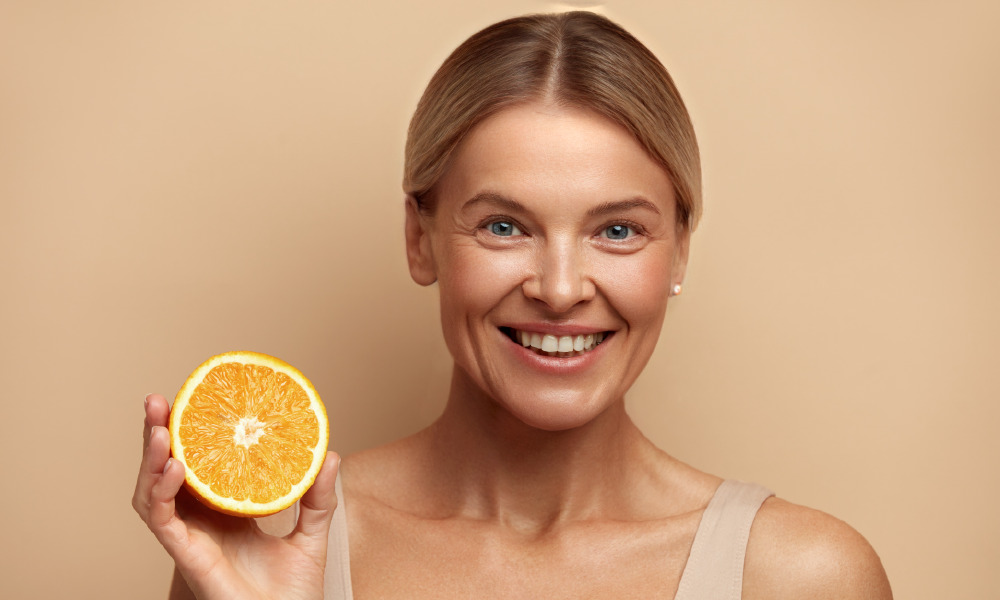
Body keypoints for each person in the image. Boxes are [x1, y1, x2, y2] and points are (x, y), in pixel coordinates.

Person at [133, 11, 892, 599]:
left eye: (618, 230)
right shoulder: (283, 550)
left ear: (679, 252)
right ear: (420, 239)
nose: (560, 290)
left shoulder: (802, 577)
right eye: (504, 226)